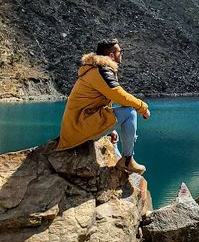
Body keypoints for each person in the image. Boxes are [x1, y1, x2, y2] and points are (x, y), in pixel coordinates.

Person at [56, 39, 151, 174]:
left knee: (115, 136)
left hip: (80, 124)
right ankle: (127, 160)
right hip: (80, 126)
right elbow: (118, 95)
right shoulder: (101, 70)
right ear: (112, 55)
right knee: (130, 112)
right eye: (120, 52)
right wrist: (142, 107)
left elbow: (101, 102)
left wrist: (109, 129)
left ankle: (120, 161)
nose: (122, 54)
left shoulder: (95, 69)